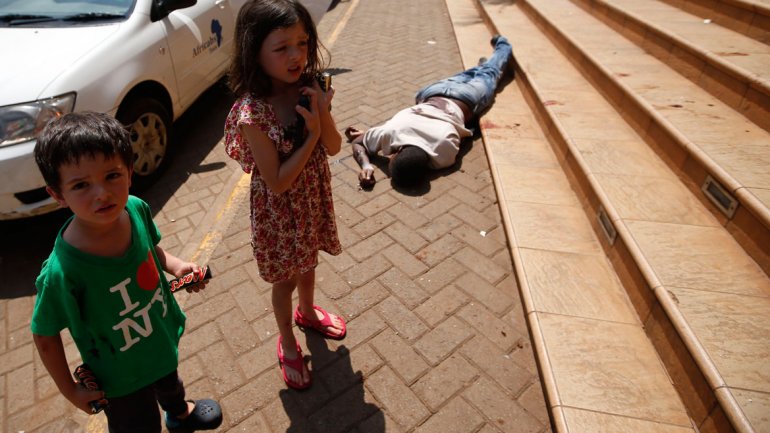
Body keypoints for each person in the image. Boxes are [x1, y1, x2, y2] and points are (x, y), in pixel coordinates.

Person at [30, 112, 222, 433]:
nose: (102, 193)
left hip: (156, 338)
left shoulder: (135, 208)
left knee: (169, 381)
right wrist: (70, 390)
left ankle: (179, 413)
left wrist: (176, 266)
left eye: (112, 175)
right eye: (81, 185)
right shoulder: (63, 272)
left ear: (130, 172)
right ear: (58, 195)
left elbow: (151, 250)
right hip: (118, 376)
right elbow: (45, 334)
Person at [224, 0, 346, 390]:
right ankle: (288, 343)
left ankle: (307, 313)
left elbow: (334, 146)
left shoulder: (310, 88)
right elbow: (276, 181)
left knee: (309, 263)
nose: (296, 55)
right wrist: (309, 135)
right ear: (254, 53)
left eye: (303, 43)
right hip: (279, 212)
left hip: (311, 199)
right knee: (286, 280)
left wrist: (321, 115)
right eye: (282, 48)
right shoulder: (252, 114)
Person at [348, 35, 513, 187]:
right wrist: (366, 163)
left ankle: (502, 46)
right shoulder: (390, 132)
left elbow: (359, 142)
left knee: (491, 74)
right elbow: (358, 142)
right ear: (397, 153)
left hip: (465, 100)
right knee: (471, 75)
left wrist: (366, 162)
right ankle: (484, 64)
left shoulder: (444, 153)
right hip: (430, 92)